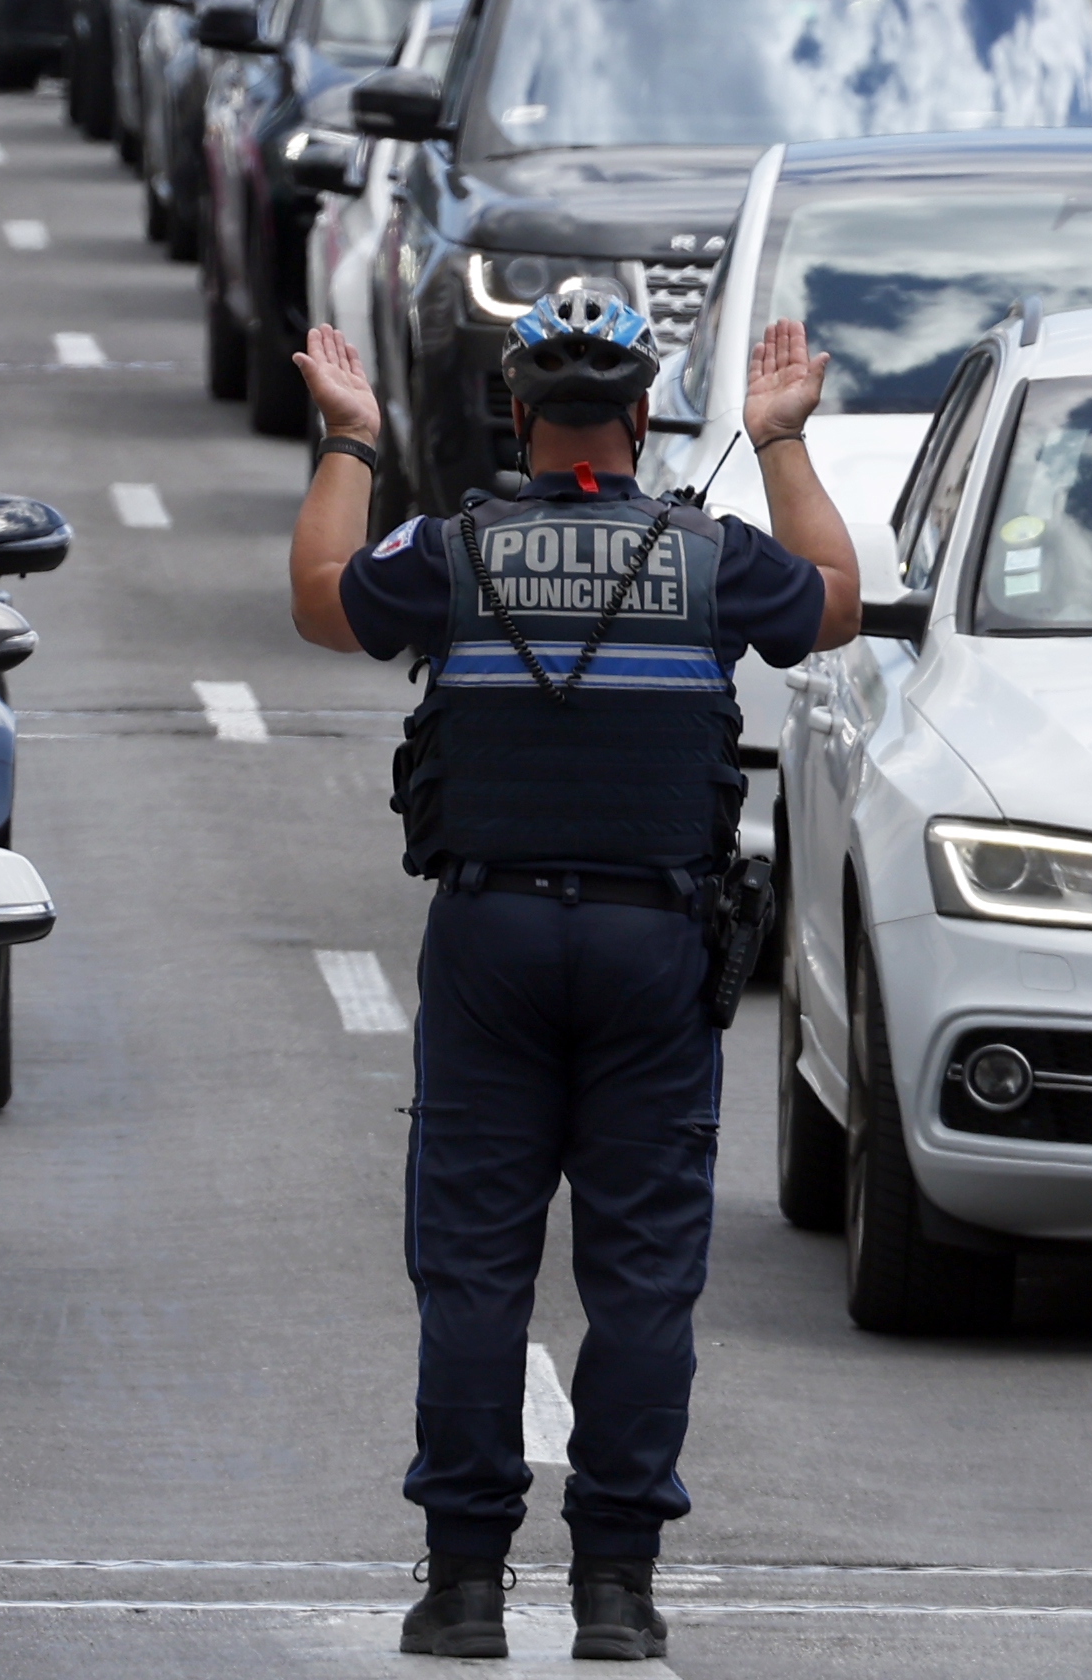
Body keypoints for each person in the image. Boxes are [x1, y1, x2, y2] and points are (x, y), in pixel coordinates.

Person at [289, 287, 860, 1665]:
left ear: (517, 415)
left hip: (488, 945)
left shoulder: (451, 552)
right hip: (654, 950)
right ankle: (616, 1589)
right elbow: (832, 606)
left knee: (476, 1275)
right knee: (643, 1280)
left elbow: (319, 602)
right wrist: (779, 440)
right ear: (648, 415)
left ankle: (467, 1589)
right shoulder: (713, 555)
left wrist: (354, 441)